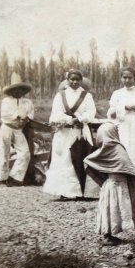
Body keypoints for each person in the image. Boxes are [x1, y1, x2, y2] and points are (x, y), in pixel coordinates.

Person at [43, 69, 100, 200]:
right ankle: (64, 191)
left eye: (77, 79)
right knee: (64, 159)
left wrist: (80, 119)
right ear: (67, 80)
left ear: (81, 81)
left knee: (81, 157)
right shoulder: (60, 95)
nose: (74, 82)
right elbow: (56, 113)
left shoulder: (87, 96)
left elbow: (91, 112)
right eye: (72, 79)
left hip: (80, 132)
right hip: (64, 132)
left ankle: (82, 192)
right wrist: (69, 120)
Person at [84, 123, 135, 246]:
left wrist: (103, 178)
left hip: (109, 185)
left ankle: (108, 234)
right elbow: (127, 166)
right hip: (117, 185)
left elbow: (88, 161)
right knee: (116, 208)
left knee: (109, 209)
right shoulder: (117, 149)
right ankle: (108, 236)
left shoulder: (105, 149)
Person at [0, 73, 35, 186]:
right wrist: (18, 117)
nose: (18, 92)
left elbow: (30, 113)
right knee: (4, 153)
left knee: (25, 153)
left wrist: (26, 119)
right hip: (7, 128)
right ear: (11, 91)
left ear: (23, 90)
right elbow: (5, 115)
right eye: (15, 90)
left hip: (19, 130)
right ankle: (2, 178)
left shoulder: (27, 102)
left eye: (20, 89)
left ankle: (15, 177)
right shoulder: (6, 101)